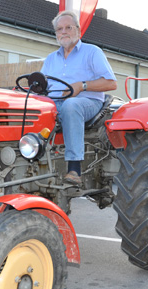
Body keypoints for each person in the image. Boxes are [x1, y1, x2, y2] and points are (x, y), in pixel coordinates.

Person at [41, 10, 117, 185]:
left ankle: (74, 168)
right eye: (59, 29)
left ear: (78, 30)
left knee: (71, 105)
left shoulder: (92, 52)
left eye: (68, 27)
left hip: (88, 102)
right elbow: (43, 86)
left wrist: (82, 85)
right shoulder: (51, 59)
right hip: (54, 102)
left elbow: (111, 83)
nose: (64, 32)